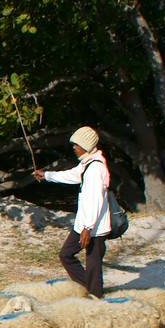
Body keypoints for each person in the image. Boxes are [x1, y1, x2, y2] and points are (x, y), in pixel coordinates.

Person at [33, 126, 111, 297]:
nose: (74, 148)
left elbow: (95, 200)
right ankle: (89, 289)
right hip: (83, 224)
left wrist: (88, 228)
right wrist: (47, 175)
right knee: (66, 255)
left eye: (77, 144)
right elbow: (72, 175)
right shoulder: (87, 164)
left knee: (93, 265)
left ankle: (95, 296)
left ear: (86, 145)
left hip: (93, 227)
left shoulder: (95, 168)